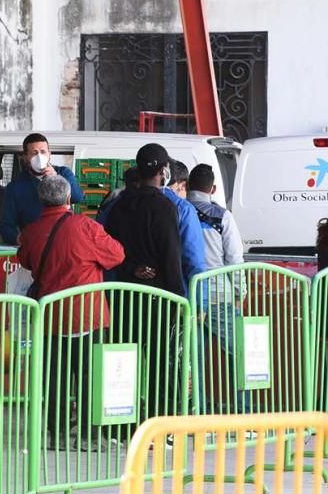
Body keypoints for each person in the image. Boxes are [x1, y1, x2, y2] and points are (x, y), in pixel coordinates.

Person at [18, 175, 124, 447]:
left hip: (51, 315)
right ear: (68, 199)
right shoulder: (86, 227)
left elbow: (26, 260)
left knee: (55, 376)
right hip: (88, 313)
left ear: (41, 199)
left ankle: (58, 432)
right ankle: (89, 434)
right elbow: (117, 254)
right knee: (90, 374)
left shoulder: (31, 230)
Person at [187, 163, 247, 415]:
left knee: (194, 359)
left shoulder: (179, 210)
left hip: (188, 295)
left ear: (188, 185)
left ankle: (196, 412)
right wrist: (240, 292)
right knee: (242, 353)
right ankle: (242, 412)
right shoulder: (222, 215)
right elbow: (234, 258)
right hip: (218, 296)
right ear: (213, 188)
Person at [104, 143, 186, 296]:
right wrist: (177, 295)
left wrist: (131, 268)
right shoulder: (164, 207)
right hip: (157, 296)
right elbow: (170, 255)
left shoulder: (119, 205)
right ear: (163, 171)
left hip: (123, 294)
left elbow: (109, 248)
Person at [0, 133, 85, 245]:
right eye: (34, 153)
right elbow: (6, 226)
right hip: (36, 245)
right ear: (25, 157)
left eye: (43, 152)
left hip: (65, 240)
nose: (39, 157)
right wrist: (22, 240)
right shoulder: (15, 188)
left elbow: (77, 197)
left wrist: (56, 178)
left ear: (49, 154)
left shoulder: (63, 173)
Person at [164, 159, 207, 290]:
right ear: (181, 185)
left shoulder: (121, 201)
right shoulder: (183, 208)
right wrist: (200, 302)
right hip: (176, 293)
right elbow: (194, 260)